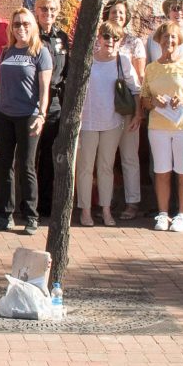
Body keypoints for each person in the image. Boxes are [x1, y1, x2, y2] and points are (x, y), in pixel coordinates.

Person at [0, 7, 51, 234]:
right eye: (16, 24)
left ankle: (31, 216)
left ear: (32, 26)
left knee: (27, 166)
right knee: (5, 165)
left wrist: (41, 114)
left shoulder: (40, 52)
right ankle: (5, 214)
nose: (21, 28)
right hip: (4, 115)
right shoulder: (7, 51)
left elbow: (44, 89)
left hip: (28, 116)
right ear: (11, 28)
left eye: (25, 24)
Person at [73, 20, 140, 227]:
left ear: (120, 41)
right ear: (99, 38)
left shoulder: (123, 61)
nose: (110, 41)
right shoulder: (87, 60)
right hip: (87, 122)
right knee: (85, 167)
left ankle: (106, 210)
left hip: (113, 121)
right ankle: (85, 211)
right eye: (106, 36)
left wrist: (138, 115)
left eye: (115, 38)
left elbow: (136, 89)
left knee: (106, 167)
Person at [143, 16, 183, 232]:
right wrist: (153, 101)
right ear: (158, 41)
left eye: (172, 37)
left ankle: (182, 214)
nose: (168, 40)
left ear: (178, 40)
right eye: (165, 37)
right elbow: (144, 98)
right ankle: (162, 214)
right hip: (158, 126)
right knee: (161, 170)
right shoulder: (151, 68)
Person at [96, 0, 145, 218]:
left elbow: (138, 81)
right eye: (114, 12)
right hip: (102, 110)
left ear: (127, 18)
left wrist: (138, 112)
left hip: (125, 108)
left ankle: (132, 202)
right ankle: (105, 202)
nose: (117, 16)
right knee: (105, 159)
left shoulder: (134, 43)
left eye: (121, 13)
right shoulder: (98, 40)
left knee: (128, 156)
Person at [31, 0, 70, 219]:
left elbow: (66, 70)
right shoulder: (32, 36)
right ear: (36, 10)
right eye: (44, 9)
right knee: (30, 155)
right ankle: (30, 204)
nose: (48, 13)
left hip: (55, 102)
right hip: (33, 100)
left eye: (52, 9)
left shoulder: (61, 38)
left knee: (48, 155)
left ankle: (45, 205)